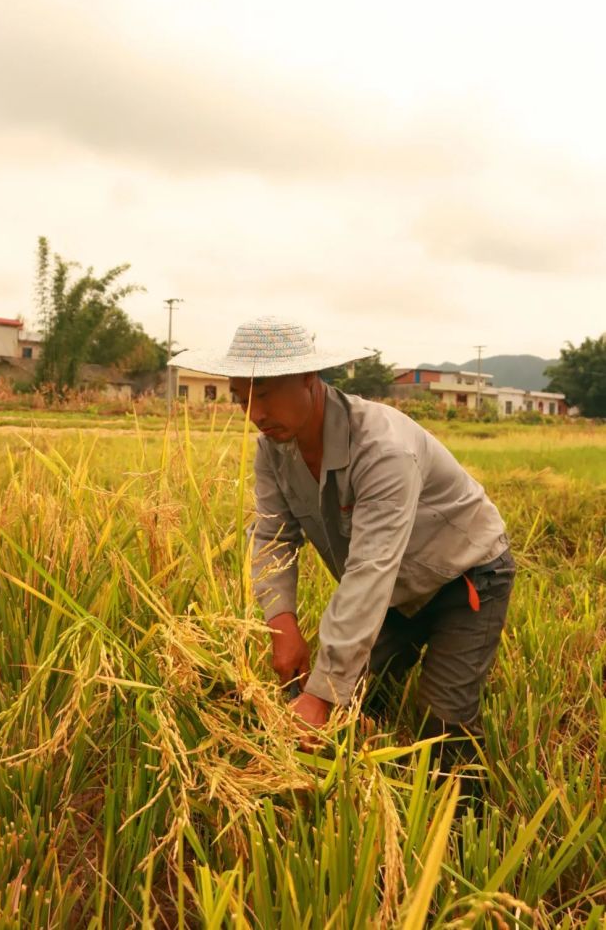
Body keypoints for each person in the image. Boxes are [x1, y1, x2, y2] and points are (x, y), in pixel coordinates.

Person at [169, 316, 516, 791]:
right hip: (393, 594)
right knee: (350, 704)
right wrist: (282, 623)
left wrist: (324, 690)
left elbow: (370, 570)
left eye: (264, 393)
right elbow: (272, 536)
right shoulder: (273, 448)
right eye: (240, 396)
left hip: (466, 577)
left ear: (309, 379)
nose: (253, 411)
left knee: (441, 724)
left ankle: (464, 829)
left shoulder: (382, 449)